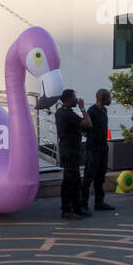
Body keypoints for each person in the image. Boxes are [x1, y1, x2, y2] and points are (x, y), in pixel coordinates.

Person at [55, 89, 91, 219]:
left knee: (72, 181)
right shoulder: (67, 114)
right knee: (70, 181)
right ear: (69, 99)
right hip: (70, 151)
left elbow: (79, 128)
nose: (76, 100)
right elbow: (88, 124)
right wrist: (82, 109)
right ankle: (68, 210)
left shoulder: (61, 112)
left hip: (68, 149)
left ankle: (75, 208)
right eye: (74, 97)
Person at [85, 89, 116, 211]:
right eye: (108, 97)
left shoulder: (104, 110)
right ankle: (83, 203)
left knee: (100, 177)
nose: (110, 100)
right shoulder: (92, 111)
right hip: (93, 148)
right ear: (102, 98)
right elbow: (85, 129)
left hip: (103, 147)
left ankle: (99, 203)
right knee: (89, 177)